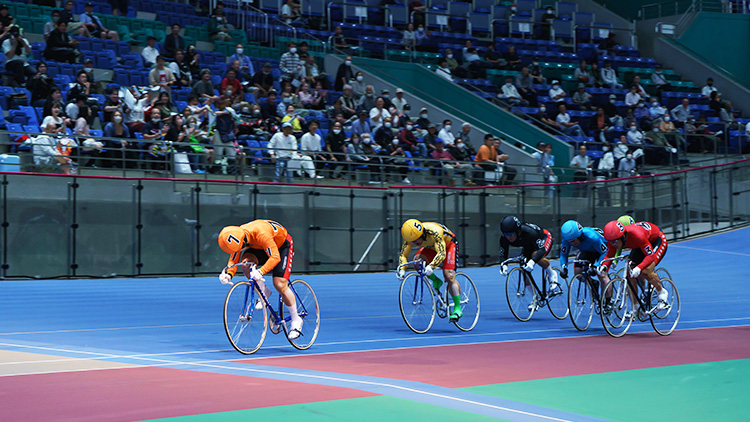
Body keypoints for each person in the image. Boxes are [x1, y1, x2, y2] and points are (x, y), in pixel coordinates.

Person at [217, 220, 303, 340]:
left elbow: (275, 257)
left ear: (243, 241)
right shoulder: (238, 235)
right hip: (259, 246)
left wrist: (261, 271)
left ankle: (296, 319)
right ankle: (264, 291)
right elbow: (234, 258)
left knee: (279, 284)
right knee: (246, 263)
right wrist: (228, 274)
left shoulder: (261, 233)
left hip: (281, 246)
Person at [397, 219, 463, 320]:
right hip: (431, 247)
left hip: (448, 245)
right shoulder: (410, 236)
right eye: (412, 242)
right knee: (417, 262)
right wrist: (402, 269)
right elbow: (403, 254)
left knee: (449, 275)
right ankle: (436, 281)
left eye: (416, 240)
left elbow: (442, 253)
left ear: (422, 234)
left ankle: (457, 308)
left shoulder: (434, 232)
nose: (414, 243)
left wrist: (431, 266)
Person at [601, 220, 670, 311]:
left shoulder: (637, 235)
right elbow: (610, 255)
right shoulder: (614, 239)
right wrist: (604, 266)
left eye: (615, 241)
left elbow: (650, 255)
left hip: (656, 240)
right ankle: (636, 306)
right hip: (639, 245)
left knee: (645, 271)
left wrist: (639, 267)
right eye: (610, 241)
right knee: (629, 273)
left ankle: (662, 292)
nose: (613, 244)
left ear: (623, 236)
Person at [498, 216, 558, 308]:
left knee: (535, 255)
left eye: (511, 233)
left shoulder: (529, 232)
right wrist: (504, 265)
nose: (509, 237)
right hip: (528, 244)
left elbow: (541, 250)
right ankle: (535, 297)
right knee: (524, 268)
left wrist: (532, 262)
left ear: (517, 231)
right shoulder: (504, 238)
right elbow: (503, 253)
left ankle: (551, 273)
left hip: (543, 237)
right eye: (506, 234)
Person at [559, 220, 613, 312]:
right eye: (569, 241)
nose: (572, 243)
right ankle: (593, 283)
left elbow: (604, 252)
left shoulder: (592, 237)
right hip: (587, 250)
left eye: (573, 241)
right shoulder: (567, 239)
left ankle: (609, 302)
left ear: (579, 236)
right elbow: (563, 254)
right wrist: (564, 267)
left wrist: (595, 266)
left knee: (601, 275)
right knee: (578, 272)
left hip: (602, 250)